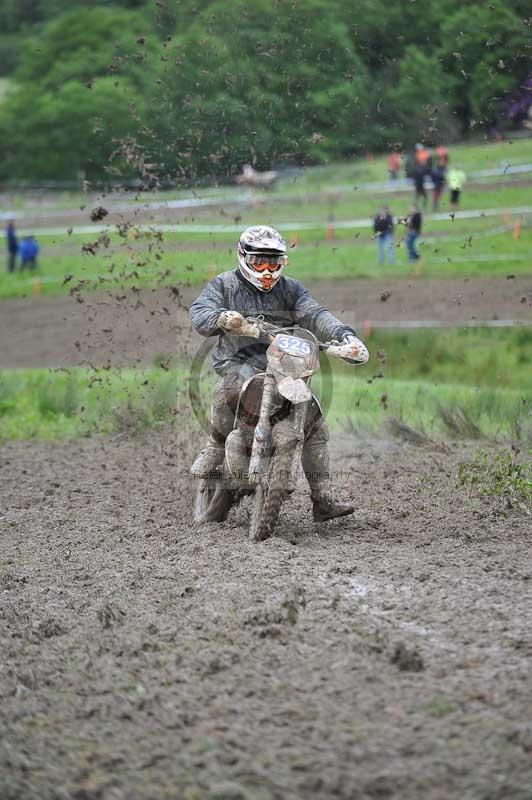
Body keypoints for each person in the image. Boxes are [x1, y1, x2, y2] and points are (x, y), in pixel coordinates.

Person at [189, 225, 369, 522]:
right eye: (260, 262)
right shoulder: (224, 285)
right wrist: (221, 317)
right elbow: (199, 312)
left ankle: (322, 498)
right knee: (226, 390)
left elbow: (315, 314)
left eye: (274, 262)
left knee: (314, 420)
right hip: (237, 362)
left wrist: (346, 337)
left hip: (284, 366)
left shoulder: (291, 289)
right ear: (244, 258)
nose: (267, 269)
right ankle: (215, 446)